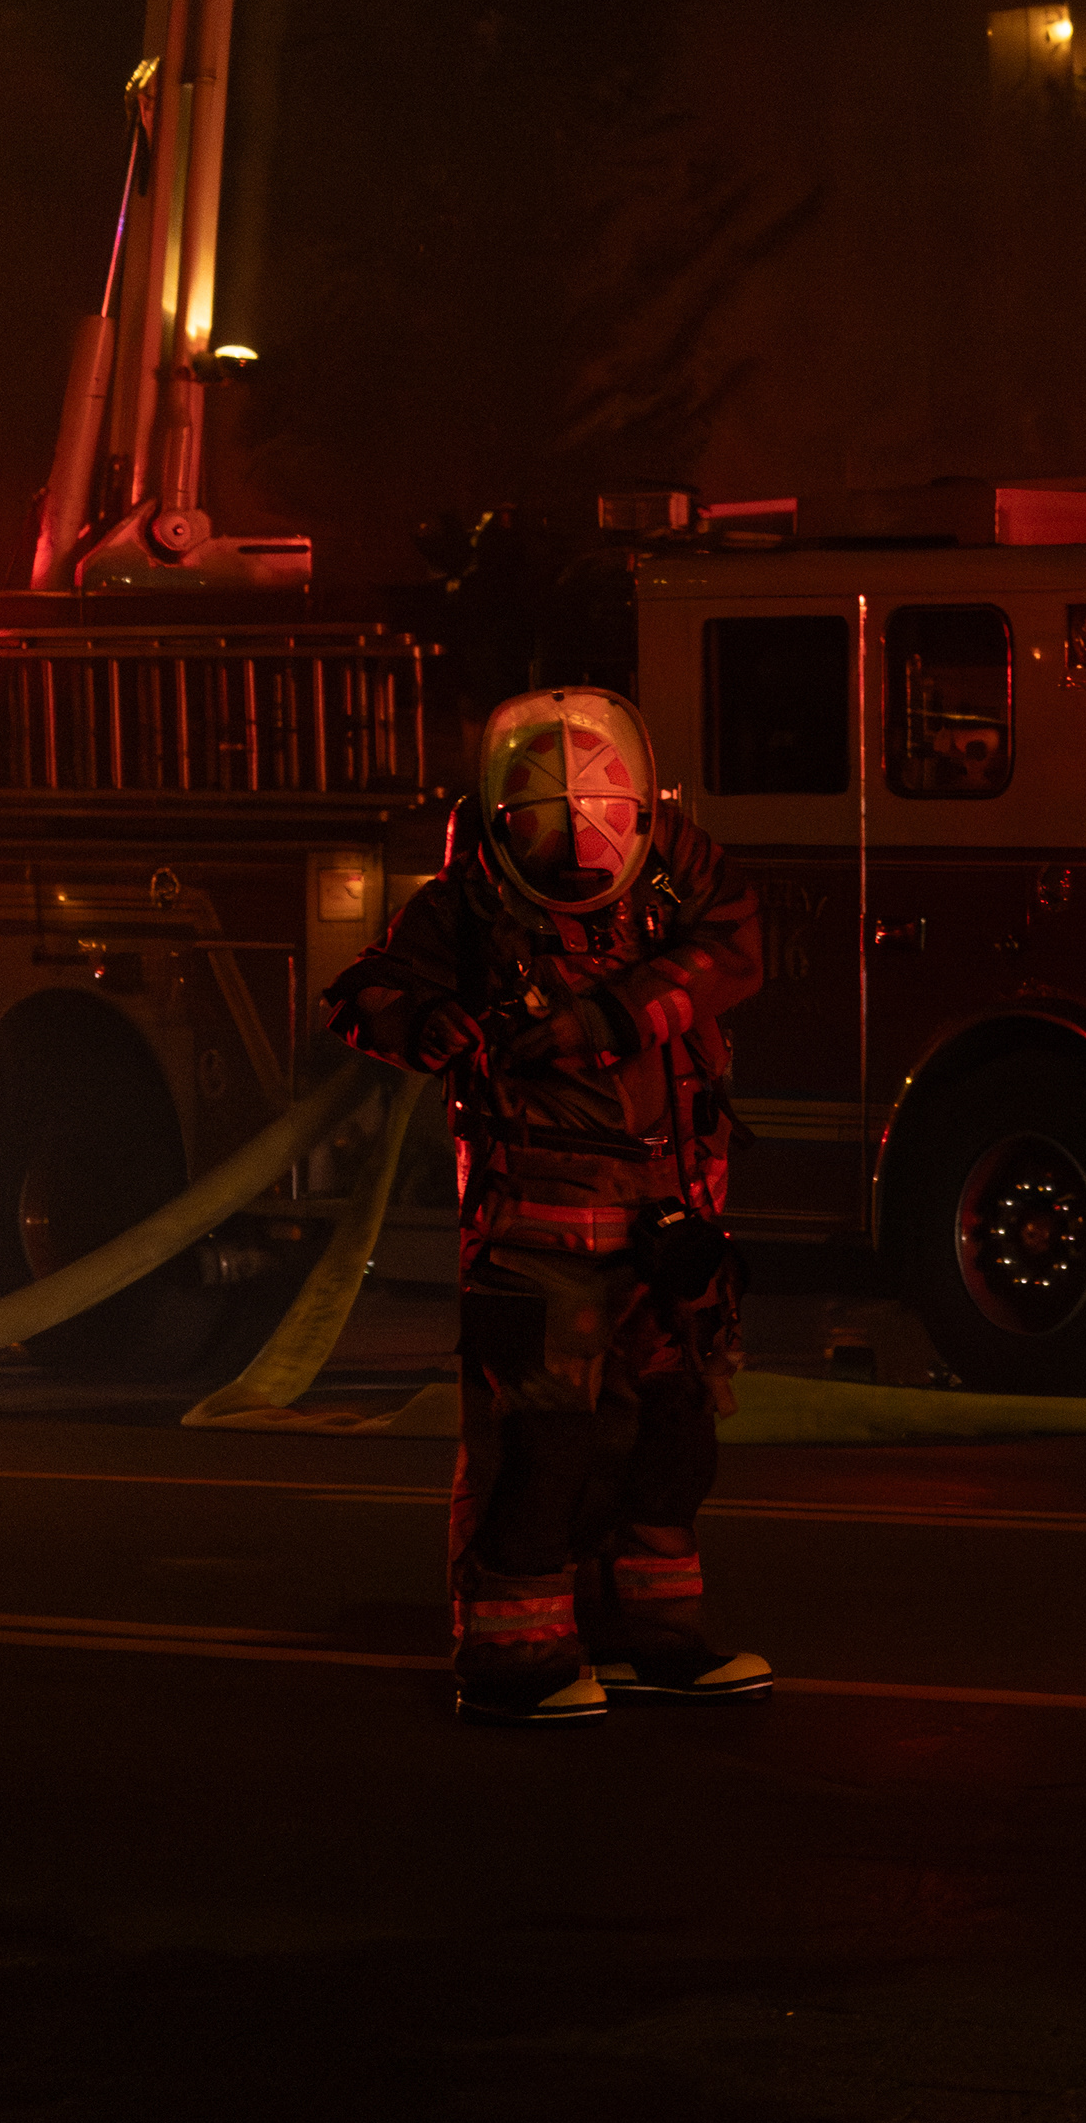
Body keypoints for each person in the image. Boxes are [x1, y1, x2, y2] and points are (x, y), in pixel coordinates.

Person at [324, 689, 768, 1726]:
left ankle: (647, 1636)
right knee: (539, 1446)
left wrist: (605, 1015)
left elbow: (738, 945)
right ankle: (513, 1654)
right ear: (503, 823)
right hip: (540, 1229)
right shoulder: (465, 905)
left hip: (671, 1217)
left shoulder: (676, 869)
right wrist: (431, 1017)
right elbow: (365, 992)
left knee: (669, 1434)